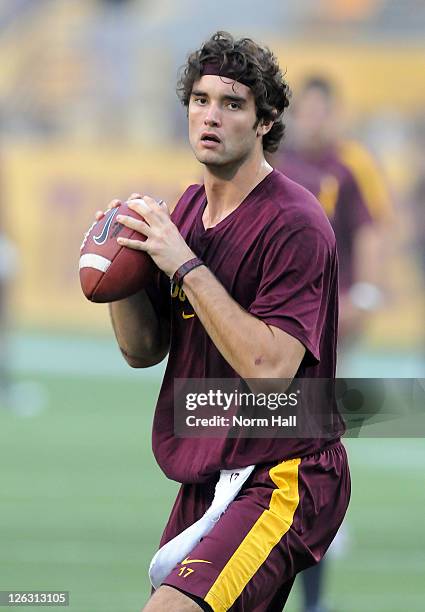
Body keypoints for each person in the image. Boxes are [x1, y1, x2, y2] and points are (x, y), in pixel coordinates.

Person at [96, 33, 350, 611]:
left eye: (233, 104)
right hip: (212, 473)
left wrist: (183, 263)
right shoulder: (185, 208)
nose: (211, 116)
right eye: (200, 99)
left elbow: (269, 370)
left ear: (266, 120)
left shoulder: (295, 222)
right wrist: (121, 272)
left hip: (284, 473)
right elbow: (142, 349)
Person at [273, 76, 392, 612]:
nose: (313, 121)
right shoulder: (277, 160)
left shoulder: (350, 165)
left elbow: (369, 228)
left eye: (322, 111)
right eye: (308, 111)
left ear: (335, 113)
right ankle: (295, 512)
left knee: (317, 422)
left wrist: (365, 292)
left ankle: (319, 515)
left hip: (332, 312)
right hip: (284, 313)